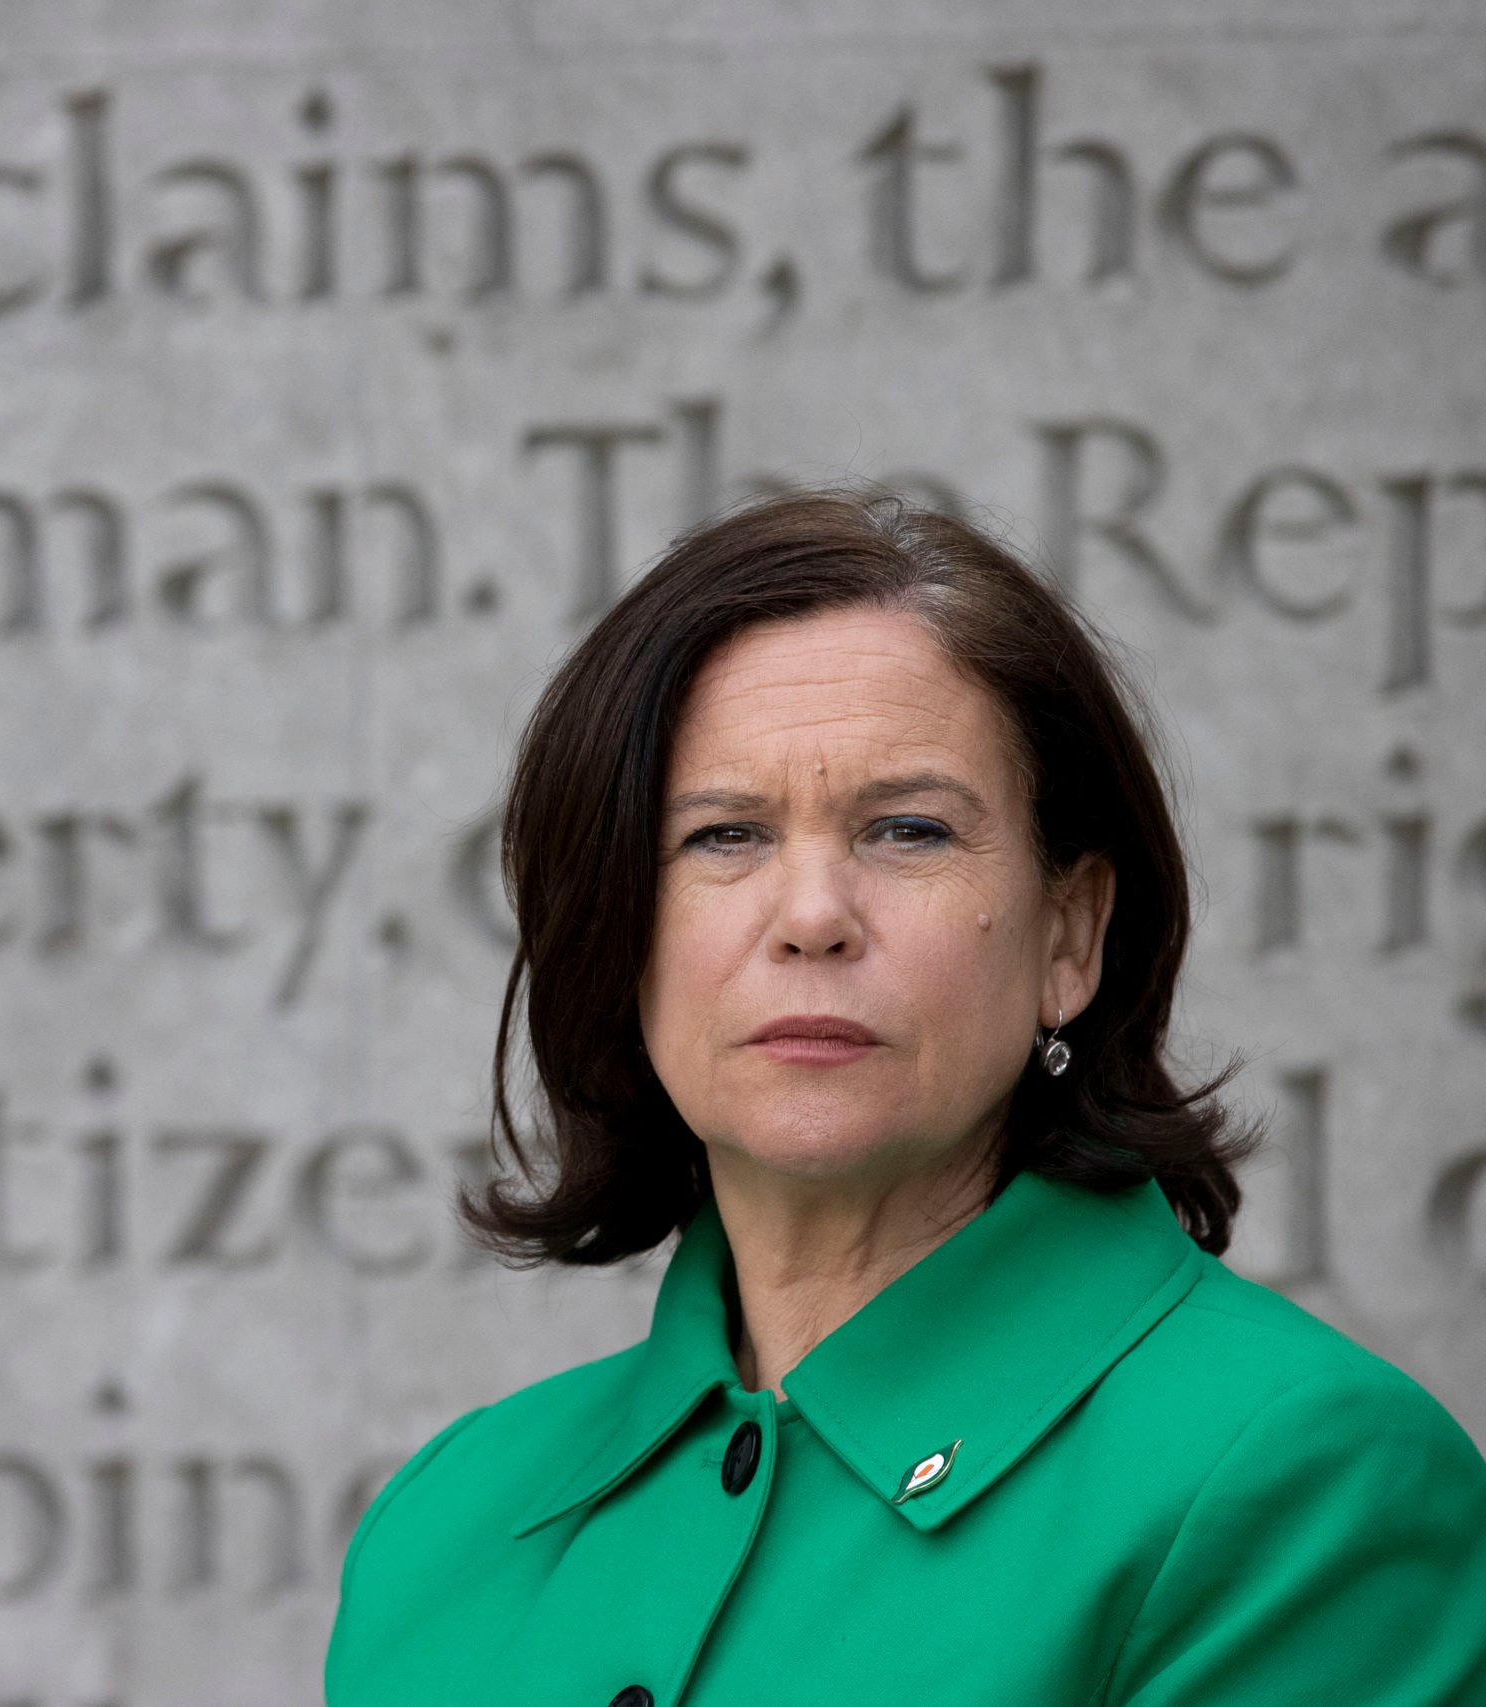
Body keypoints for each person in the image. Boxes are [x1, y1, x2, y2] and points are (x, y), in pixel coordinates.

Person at [322, 489, 1486, 1706]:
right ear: (616, 933)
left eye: (909, 830)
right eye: (723, 836)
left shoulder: (1307, 1484)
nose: (811, 916)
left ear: (1069, 936)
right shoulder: (445, 1525)